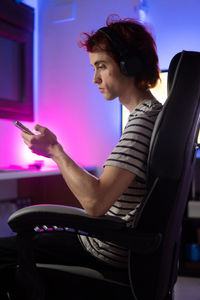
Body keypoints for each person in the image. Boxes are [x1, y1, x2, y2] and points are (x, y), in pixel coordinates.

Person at [0, 14, 162, 298]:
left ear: (130, 65)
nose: (95, 78)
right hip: (112, 244)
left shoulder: (142, 122)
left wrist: (54, 151)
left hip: (105, 251)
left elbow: (95, 202)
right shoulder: (152, 115)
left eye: (101, 66)